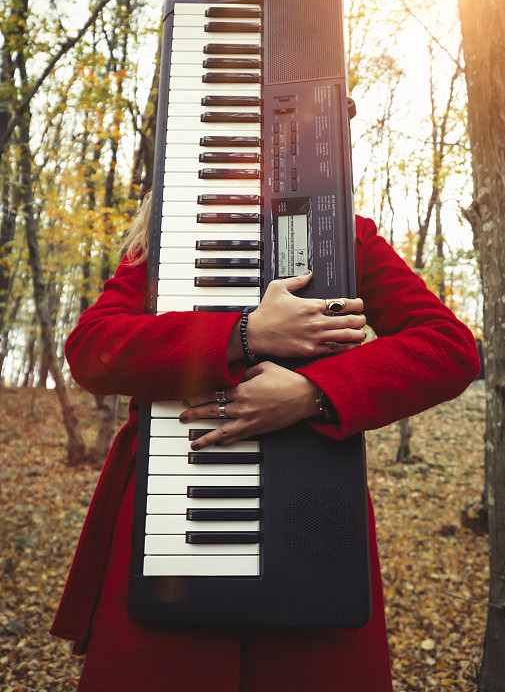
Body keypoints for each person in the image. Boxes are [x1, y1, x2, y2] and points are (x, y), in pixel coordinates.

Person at [51, 195, 480, 691]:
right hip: (167, 523)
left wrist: (313, 394)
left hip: (313, 522)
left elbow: (448, 347)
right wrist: (246, 332)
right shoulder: (168, 233)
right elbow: (92, 351)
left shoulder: (345, 233)